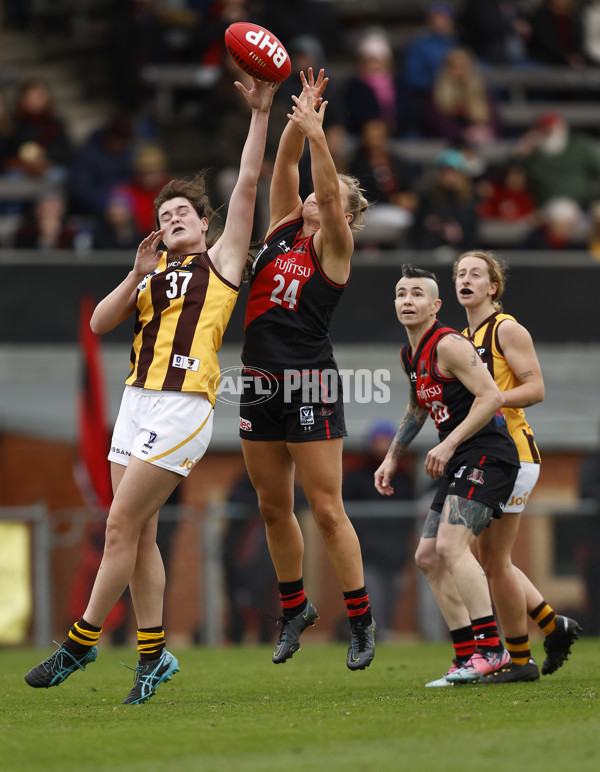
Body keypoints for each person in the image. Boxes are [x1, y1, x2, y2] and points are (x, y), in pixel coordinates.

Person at [24, 75, 277, 704]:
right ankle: (153, 657)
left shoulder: (221, 261)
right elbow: (98, 322)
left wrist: (260, 115)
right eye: (163, 216)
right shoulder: (152, 271)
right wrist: (135, 270)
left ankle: (81, 642)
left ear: (205, 221)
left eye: (182, 213)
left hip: (184, 402)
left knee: (117, 527)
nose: (171, 221)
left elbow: (247, 183)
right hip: (136, 402)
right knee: (135, 535)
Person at [238, 68, 376, 671]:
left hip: (310, 379)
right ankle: (294, 608)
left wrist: (321, 138)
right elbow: (284, 169)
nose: (318, 198)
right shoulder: (284, 225)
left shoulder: (335, 247)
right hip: (258, 378)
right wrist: (298, 120)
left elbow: (320, 179)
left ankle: (361, 618)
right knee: (272, 507)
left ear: (344, 213)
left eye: (331, 197)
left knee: (325, 507)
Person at [374, 263, 520, 685]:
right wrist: (391, 457)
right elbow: (419, 406)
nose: (407, 301)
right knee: (428, 557)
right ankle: (465, 658)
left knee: (453, 548)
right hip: (461, 458)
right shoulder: (410, 353)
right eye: (401, 294)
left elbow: (491, 397)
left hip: (488, 454)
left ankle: (492, 650)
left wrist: (448, 442)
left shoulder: (450, 344)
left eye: (417, 294)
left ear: (436, 305)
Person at [450, 250, 582, 683]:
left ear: (493, 287)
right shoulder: (460, 337)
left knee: (494, 561)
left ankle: (522, 660)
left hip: (514, 453)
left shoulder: (506, 329)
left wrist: (491, 400)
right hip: (487, 454)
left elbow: (536, 388)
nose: (465, 279)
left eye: (476, 274)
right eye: (459, 273)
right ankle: (551, 626)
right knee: (491, 560)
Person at [342, 420, 416, 640]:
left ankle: (384, 632)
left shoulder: (403, 477)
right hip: (366, 551)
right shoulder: (356, 474)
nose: (382, 445)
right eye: (378, 440)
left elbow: (408, 517)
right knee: (370, 593)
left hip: (395, 550)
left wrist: (399, 545)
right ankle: (370, 633)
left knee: (393, 592)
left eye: (387, 441)